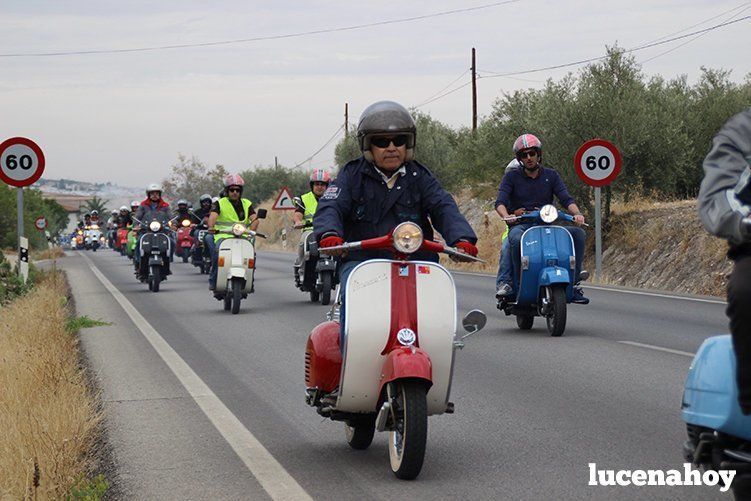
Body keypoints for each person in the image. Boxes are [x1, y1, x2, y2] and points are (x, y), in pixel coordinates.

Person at [314, 100, 478, 345]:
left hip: (417, 259)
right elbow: (331, 206)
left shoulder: (420, 176)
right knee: (354, 318)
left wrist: (462, 239)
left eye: (398, 140)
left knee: (436, 318)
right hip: (363, 261)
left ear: (408, 144)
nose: (391, 147)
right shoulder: (351, 175)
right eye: (381, 141)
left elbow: (443, 206)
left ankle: (437, 347)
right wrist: (329, 234)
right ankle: (349, 358)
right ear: (368, 145)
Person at [698, 107, 751, 415]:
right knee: (746, 290)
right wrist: (741, 221)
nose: (531, 158)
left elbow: (564, 195)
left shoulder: (551, 177)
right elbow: (719, 193)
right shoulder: (742, 132)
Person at [494, 133, 589, 304]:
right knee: (513, 239)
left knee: (578, 234)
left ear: (539, 154)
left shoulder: (551, 175)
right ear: (520, 159)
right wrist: (507, 216)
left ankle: (574, 283)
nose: (529, 158)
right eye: (524, 155)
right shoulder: (511, 177)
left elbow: (566, 198)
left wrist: (577, 214)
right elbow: (500, 202)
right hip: (522, 226)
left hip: (546, 223)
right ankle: (511, 283)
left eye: (532, 153)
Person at [206, 174, 260, 294]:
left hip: (243, 235)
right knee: (217, 254)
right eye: (232, 190)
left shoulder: (247, 203)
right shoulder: (220, 203)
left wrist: (253, 230)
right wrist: (211, 227)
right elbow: (212, 217)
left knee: (251, 256)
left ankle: (250, 281)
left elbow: (255, 219)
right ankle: (214, 280)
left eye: (237, 190)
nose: (235, 192)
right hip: (223, 236)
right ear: (226, 190)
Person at [293, 169, 332, 277]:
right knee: (303, 242)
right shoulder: (304, 199)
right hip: (310, 230)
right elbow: (298, 213)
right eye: (317, 184)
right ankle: (302, 270)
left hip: (328, 229)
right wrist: (298, 221)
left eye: (322, 184)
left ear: (327, 186)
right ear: (312, 185)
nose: (319, 187)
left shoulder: (333, 198)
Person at [133, 183, 171, 280]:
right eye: (152, 193)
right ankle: (138, 264)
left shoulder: (165, 206)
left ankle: (167, 262)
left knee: (172, 242)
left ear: (159, 194)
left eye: (156, 193)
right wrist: (136, 226)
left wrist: (173, 224)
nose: (154, 195)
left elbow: (170, 216)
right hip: (146, 231)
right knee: (138, 243)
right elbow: (137, 217)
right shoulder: (143, 205)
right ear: (148, 195)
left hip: (162, 231)